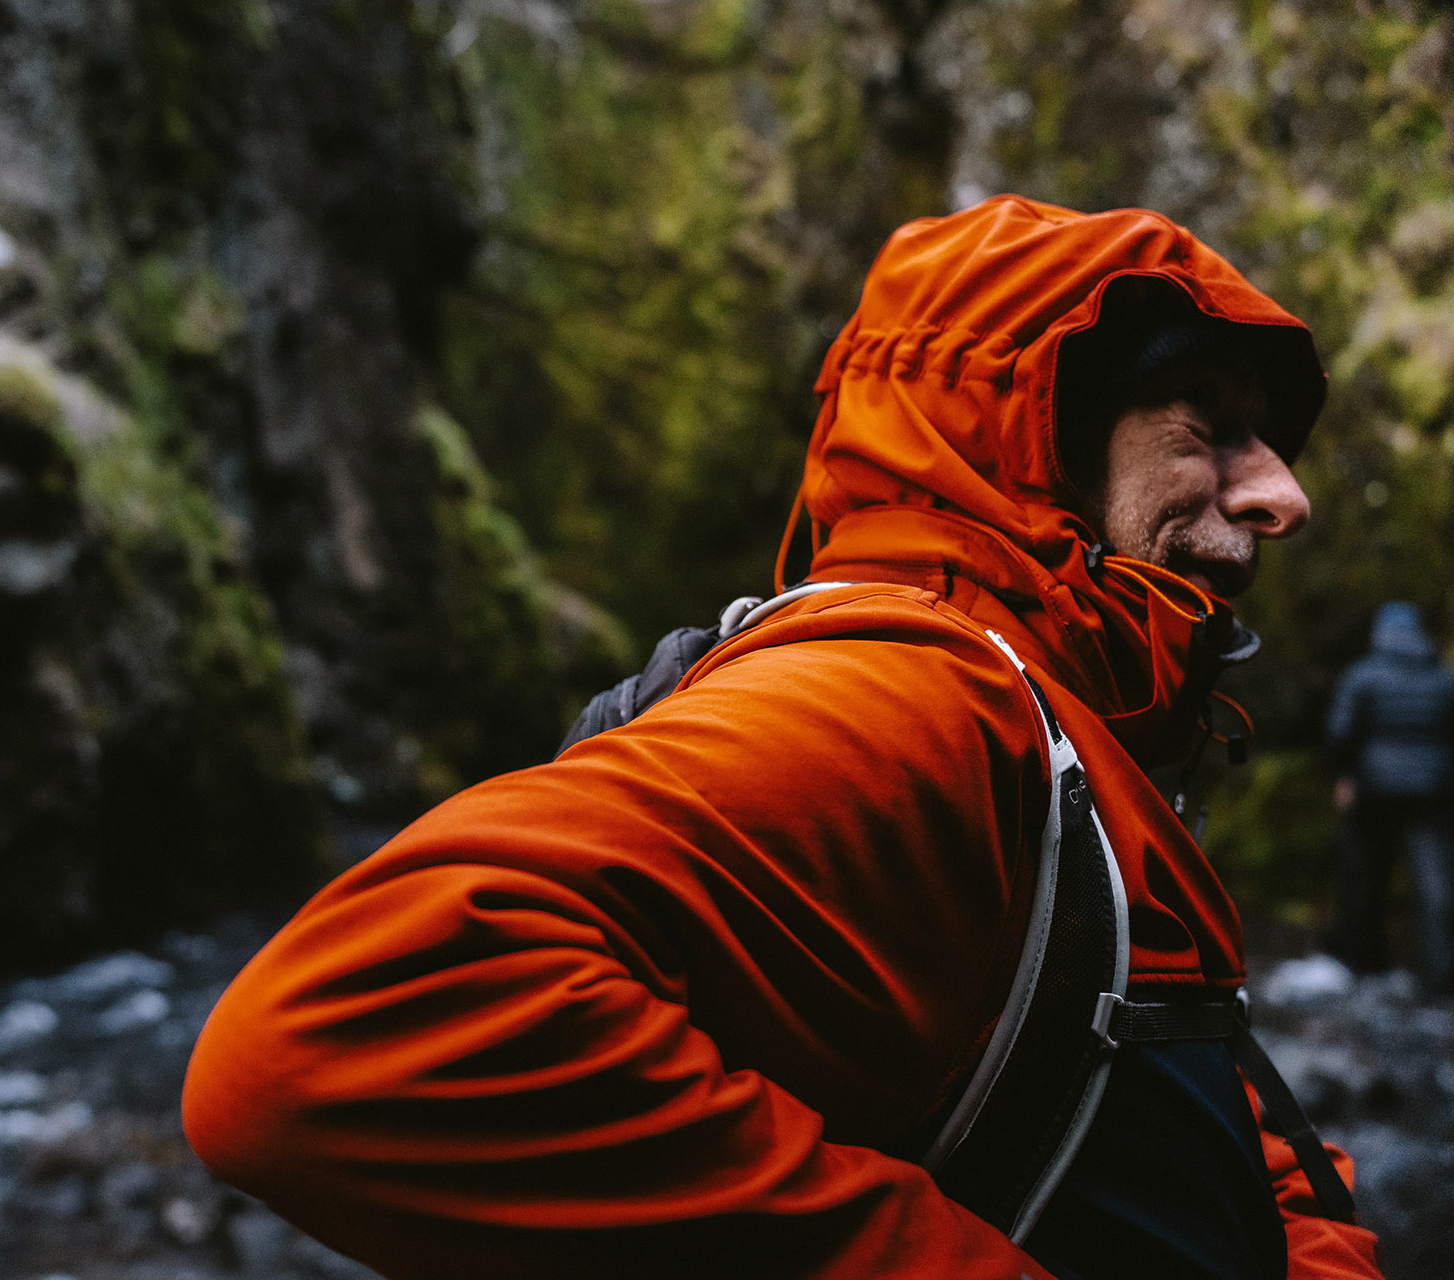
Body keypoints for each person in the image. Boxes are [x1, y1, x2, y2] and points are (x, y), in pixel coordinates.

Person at [182, 197, 1384, 1280]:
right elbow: (321, 1046)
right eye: (1207, 425)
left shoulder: (1085, 729)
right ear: (1041, 433)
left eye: (1266, 439)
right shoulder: (921, 698)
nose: (1284, 493)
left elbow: (1202, 1087)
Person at [1327, 601, 1454, 990]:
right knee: (1435, 883)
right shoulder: (1444, 678)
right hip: (1433, 790)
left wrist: (1344, 775)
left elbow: (1340, 730)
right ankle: (1440, 975)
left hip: (1375, 788)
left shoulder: (1363, 675)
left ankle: (1364, 967)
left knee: (1368, 877)